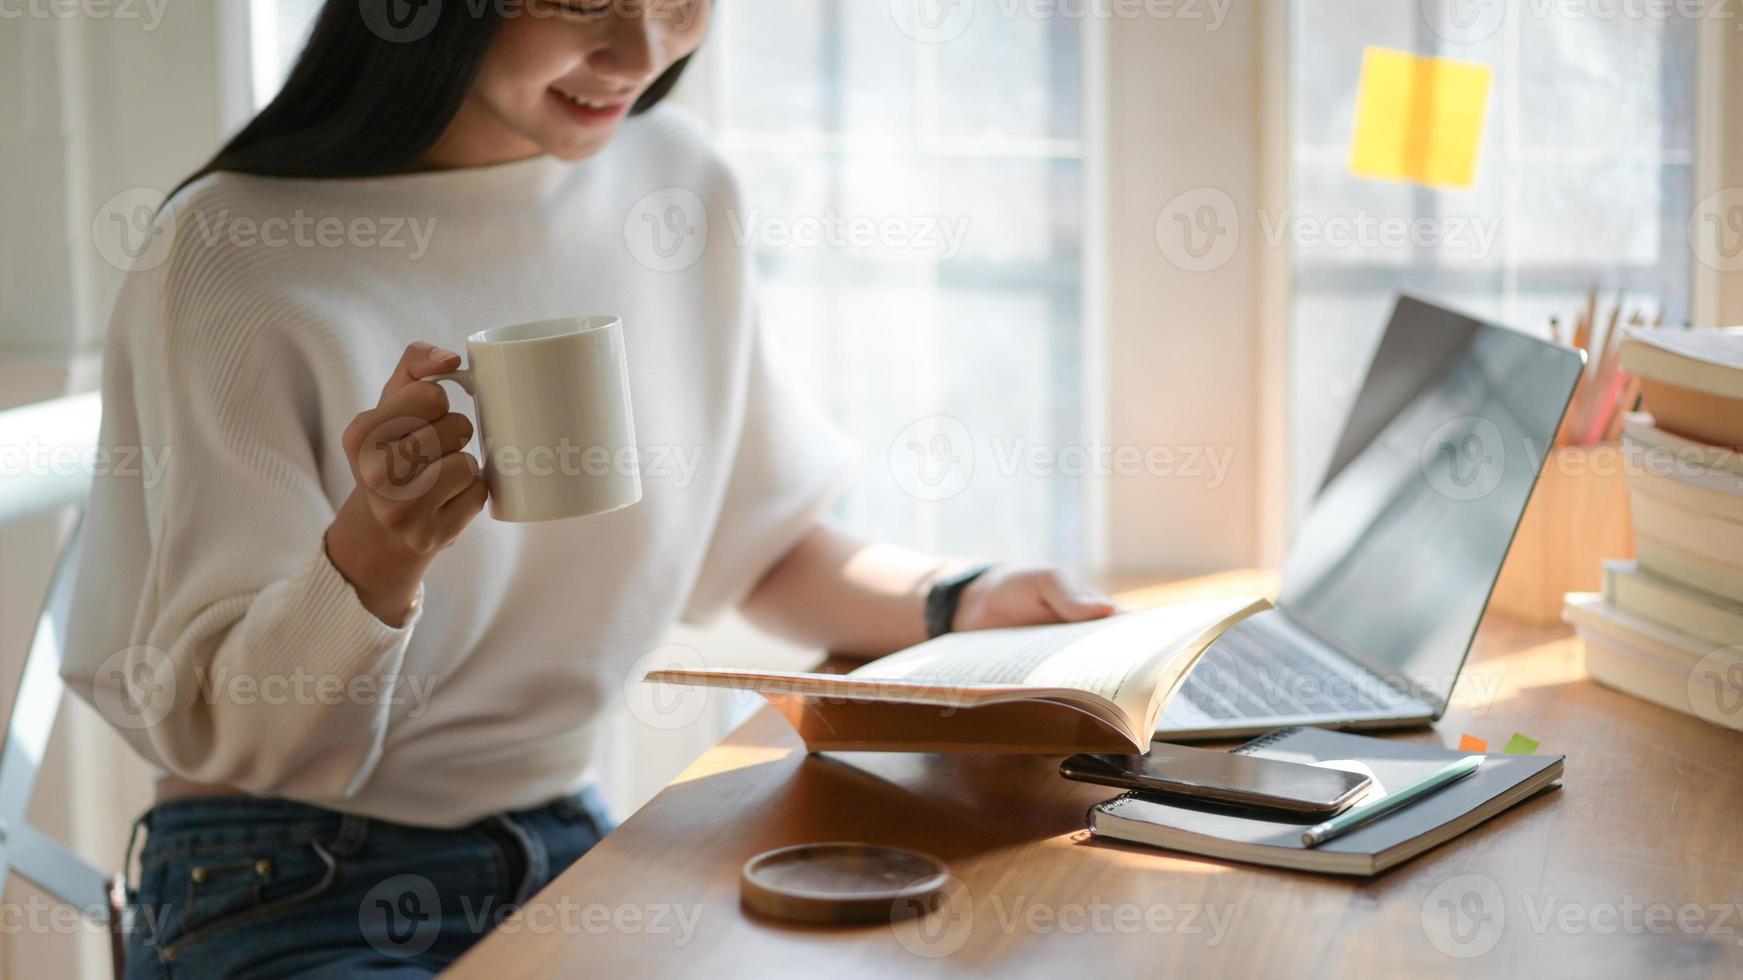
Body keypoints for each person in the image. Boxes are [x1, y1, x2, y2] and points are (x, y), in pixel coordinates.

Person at [64, 2, 1117, 976]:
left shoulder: (675, 185)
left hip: (569, 839)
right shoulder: (229, 250)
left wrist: (962, 597)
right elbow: (233, 731)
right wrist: (375, 553)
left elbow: (761, 543)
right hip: (283, 876)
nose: (643, 50)